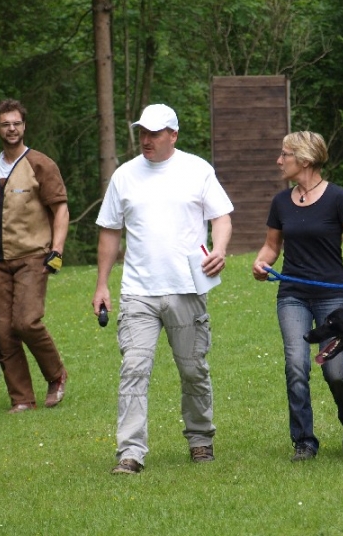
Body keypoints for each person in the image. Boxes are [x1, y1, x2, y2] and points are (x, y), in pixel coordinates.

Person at [92, 103, 233, 475]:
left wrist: (218, 249)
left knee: (192, 370)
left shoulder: (197, 170)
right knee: (134, 369)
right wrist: (102, 284)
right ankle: (130, 452)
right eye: (142, 132)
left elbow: (220, 216)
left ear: (174, 134)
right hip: (138, 291)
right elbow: (109, 231)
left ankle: (201, 440)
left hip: (187, 288)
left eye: (155, 133)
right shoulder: (124, 176)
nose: (146, 139)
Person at [252, 131, 343, 461]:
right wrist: (262, 263)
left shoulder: (338, 198)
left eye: (285, 155)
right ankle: (304, 442)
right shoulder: (281, 202)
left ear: (305, 160)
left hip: (333, 297)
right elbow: (272, 245)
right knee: (296, 366)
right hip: (292, 296)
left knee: (336, 372)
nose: (279, 161)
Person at [0, 98, 69, 414]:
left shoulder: (40, 164)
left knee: (26, 322)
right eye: (5, 124)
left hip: (32, 257)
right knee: (3, 332)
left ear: (24, 126)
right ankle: (22, 399)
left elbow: (60, 209)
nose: (11, 129)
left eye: (17, 123)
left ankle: (56, 376)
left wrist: (57, 249)